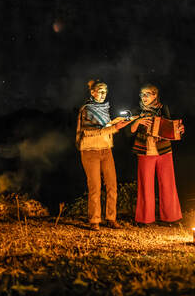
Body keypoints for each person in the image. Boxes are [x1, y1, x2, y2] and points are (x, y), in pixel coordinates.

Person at [76, 79, 135, 231]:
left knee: (112, 185)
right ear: (92, 92)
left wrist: (117, 124)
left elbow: (105, 127)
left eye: (105, 92)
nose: (103, 95)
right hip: (90, 151)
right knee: (95, 186)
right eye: (100, 91)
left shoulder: (104, 108)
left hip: (106, 150)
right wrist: (114, 128)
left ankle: (111, 218)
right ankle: (94, 220)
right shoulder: (87, 109)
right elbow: (90, 132)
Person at [130, 83, 184, 226]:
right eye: (142, 94)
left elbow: (169, 124)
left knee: (167, 184)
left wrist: (179, 128)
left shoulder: (162, 108)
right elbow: (130, 131)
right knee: (145, 185)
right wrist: (138, 121)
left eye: (147, 94)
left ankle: (170, 218)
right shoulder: (136, 110)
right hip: (144, 150)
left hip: (164, 150)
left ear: (155, 95)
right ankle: (144, 219)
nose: (144, 97)